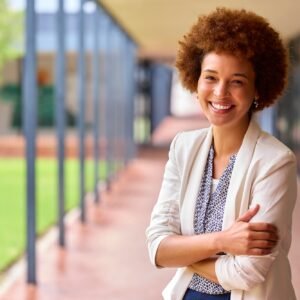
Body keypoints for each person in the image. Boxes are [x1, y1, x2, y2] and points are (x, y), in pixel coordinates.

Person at [146, 7, 297, 300]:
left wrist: (183, 250)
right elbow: (157, 246)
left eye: (237, 81)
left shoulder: (276, 162)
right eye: (211, 77)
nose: (220, 92)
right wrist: (222, 241)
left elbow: (247, 272)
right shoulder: (183, 147)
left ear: (257, 89)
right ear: (196, 79)